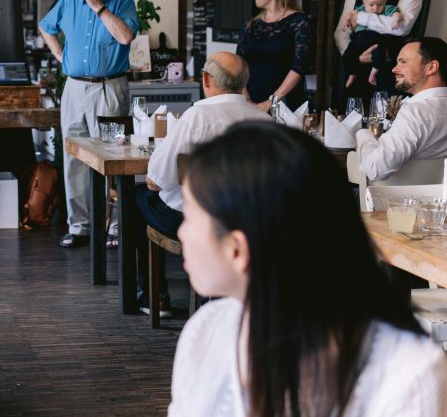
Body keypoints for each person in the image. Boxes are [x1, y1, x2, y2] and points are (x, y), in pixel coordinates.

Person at [170, 122, 447, 417]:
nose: (182, 233)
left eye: (188, 217)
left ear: (237, 250)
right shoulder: (206, 330)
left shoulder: (408, 374)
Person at [131, 52, 269, 316]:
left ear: (205, 79)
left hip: (194, 220)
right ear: (244, 82)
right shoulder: (264, 121)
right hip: (251, 223)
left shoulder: (197, 117)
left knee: (138, 198)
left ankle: (153, 297)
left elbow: (154, 181)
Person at [38, 0, 139, 248]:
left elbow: (125, 37)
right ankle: (80, 226)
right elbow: (46, 26)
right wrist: (59, 54)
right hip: (74, 89)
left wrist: (99, 9)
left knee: (113, 158)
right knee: (74, 158)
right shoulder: (68, 1)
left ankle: (116, 227)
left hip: (108, 88)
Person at [355, 37, 447, 182]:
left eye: (403, 62)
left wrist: (363, 135)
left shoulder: (415, 113)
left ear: (431, 67)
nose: (394, 69)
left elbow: (376, 169)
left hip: (396, 202)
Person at [236, 0, 308, 112]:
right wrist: (246, 100)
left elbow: (300, 66)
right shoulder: (251, 25)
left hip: (286, 103)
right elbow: (238, 64)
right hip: (251, 104)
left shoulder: (298, 21)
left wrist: (272, 101)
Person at [342, 0, 404, 89]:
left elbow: (397, 13)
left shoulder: (386, 9)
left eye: (380, 4)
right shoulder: (360, 9)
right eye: (371, 5)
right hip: (358, 38)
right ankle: (352, 74)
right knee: (348, 55)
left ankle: (373, 73)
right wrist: (345, 21)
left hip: (376, 38)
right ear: (364, 3)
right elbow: (350, 14)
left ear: (385, 2)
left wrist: (395, 20)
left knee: (380, 53)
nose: (375, 8)